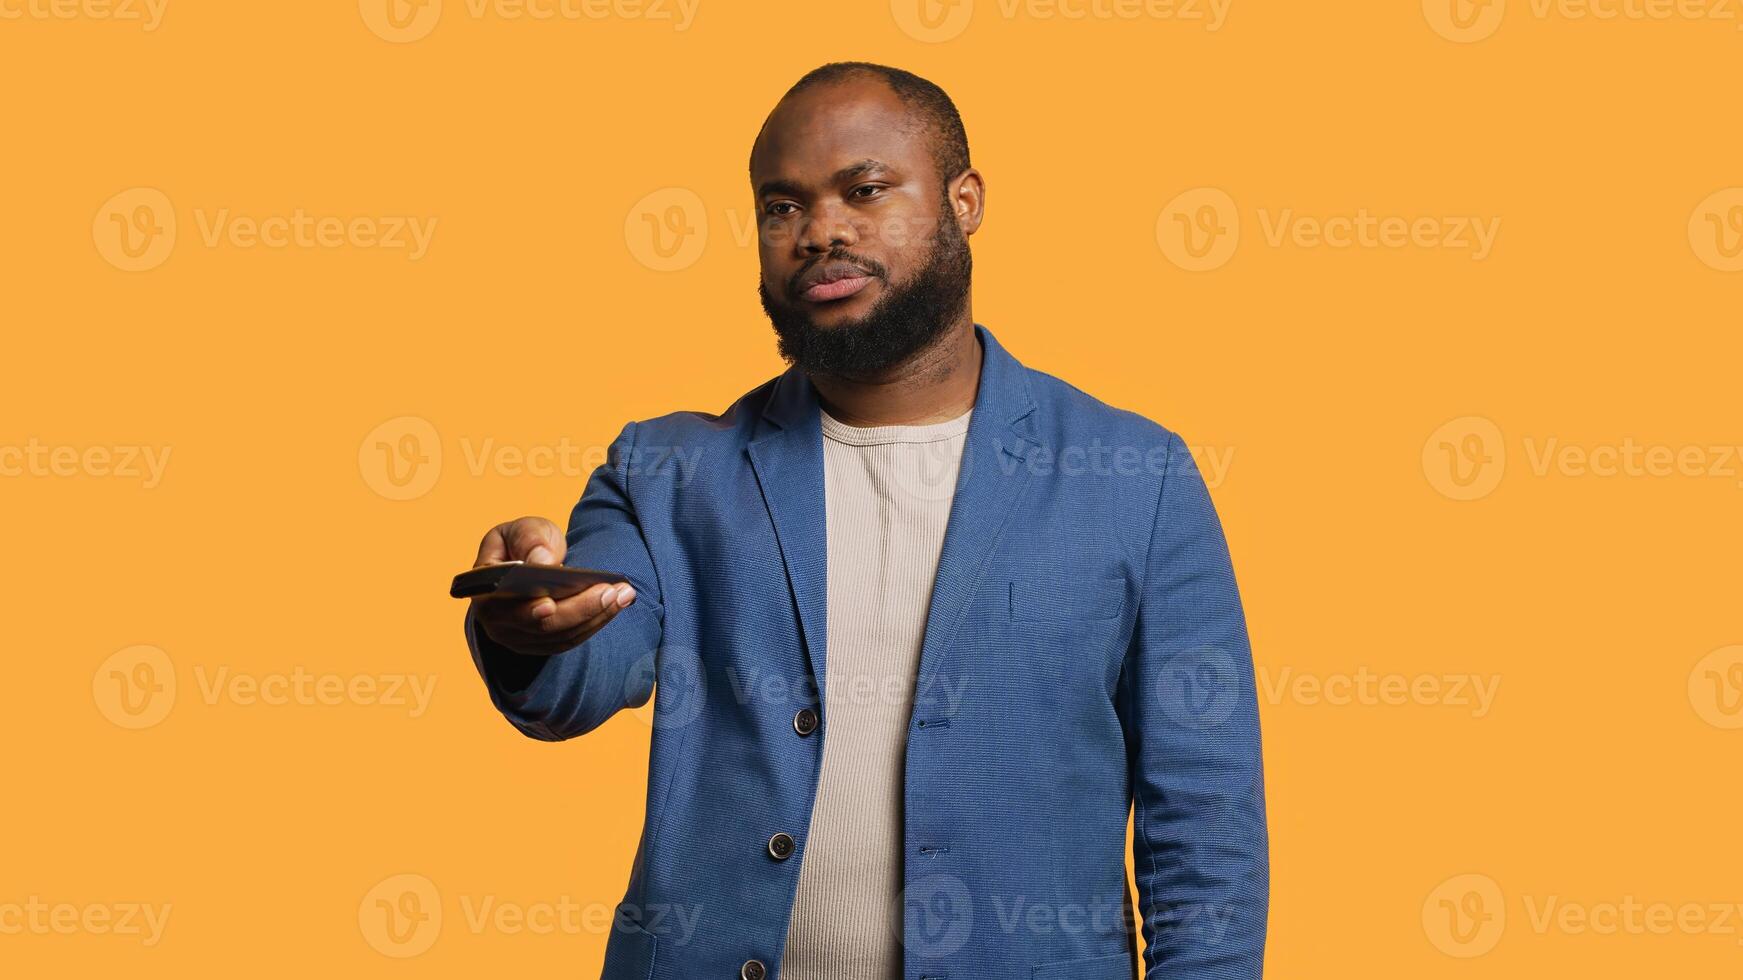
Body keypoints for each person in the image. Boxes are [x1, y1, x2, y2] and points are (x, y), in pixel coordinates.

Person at [465, 61, 1268, 980]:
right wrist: (532, 628)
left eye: (865, 190)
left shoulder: (1136, 476)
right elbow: (586, 663)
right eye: (781, 207)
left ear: (964, 201)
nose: (819, 233)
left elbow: (1204, 826)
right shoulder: (667, 469)